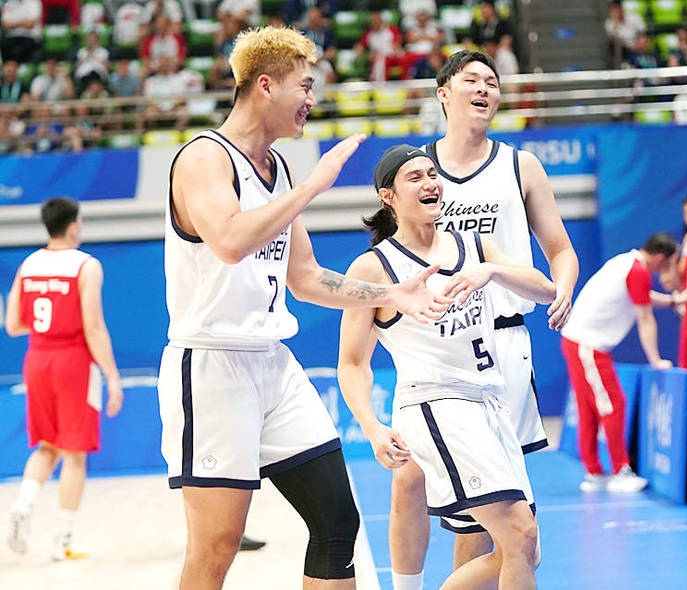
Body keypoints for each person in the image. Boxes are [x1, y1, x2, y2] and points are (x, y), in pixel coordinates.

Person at [159, 26, 450, 590]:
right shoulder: (203, 158)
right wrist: (314, 186)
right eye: (305, 86)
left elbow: (307, 278)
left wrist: (391, 293)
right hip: (213, 365)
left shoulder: (280, 171)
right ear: (265, 86)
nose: (312, 102)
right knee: (216, 547)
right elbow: (230, 240)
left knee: (338, 523)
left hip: (274, 364)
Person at [388, 50, 578, 590]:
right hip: (434, 345)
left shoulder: (520, 166)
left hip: (503, 343)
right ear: (443, 92)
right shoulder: (415, 169)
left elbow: (560, 250)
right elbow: (390, 265)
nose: (484, 88)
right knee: (414, 481)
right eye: (471, 79)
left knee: (492, 506)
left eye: (492, 82)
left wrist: (562, 288)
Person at [339, 144, 556, 590]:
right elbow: (352, 362)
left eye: (432, 173)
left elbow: (546, 290)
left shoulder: (473, 245)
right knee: (519, 534)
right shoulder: (375, 267)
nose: (429, 182)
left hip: (489, 402)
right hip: (437, 404)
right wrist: (372, 426)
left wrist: (492, 272)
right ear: (388, 197)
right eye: (414, 177)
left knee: (527, 551)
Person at [5, 197, 125, 560]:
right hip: (73, 361)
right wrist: (113, 378)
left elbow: (13, 325)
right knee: (74, 455)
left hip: (37, 357)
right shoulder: (86, 265)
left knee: (46, 445)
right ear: (73, 224)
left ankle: (23, 505)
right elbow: (93, 325)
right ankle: (64, 541)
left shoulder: (29, 264)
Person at [561, 233, 687, 492]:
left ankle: (594, 473)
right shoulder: (638, 270)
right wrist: (656, 360)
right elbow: (645, 318)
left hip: (577, 341)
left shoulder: (627, 263)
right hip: (588, 346)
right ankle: (620, 470)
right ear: (662, 259)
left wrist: (674, 301)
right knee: (613, 404)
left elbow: (643, 295)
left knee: (590, 409)